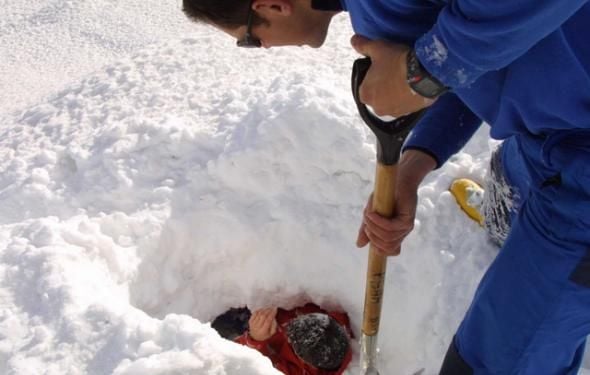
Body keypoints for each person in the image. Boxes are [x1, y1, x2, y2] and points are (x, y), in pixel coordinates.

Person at [182, 1, 590, 373]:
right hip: (555, 128)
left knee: (493, 362)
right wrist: (414, 164)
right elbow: (476, 66)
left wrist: (423, 72)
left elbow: (458, 55)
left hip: (580, 172)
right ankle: (514, 215)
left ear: (272, 6)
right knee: (518, 170)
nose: (264, 48)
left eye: (251, 40)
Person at [211, 303, 353, 374]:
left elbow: (254, 363)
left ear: (307, 363)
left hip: (254, 331)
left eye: (291, 341)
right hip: (269, 312)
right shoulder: (333, 323)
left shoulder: (297, 372)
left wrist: (255, 339)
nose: (290, 324)